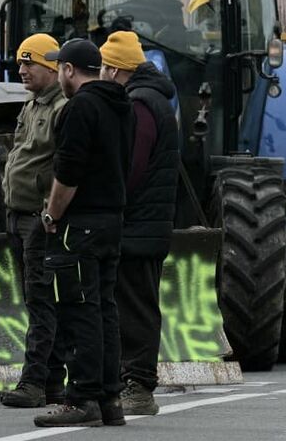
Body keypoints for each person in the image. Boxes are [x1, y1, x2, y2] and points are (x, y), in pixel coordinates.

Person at [34, 39, 133, 428]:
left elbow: (69, 170)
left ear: (70, 70)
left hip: (81, 224)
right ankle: (110, 398)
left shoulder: (80, 107)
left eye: (61, 68)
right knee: (105, 308)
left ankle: (82, 397)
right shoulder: (122, 106)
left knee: (78, 310)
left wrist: (51, 213)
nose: (59, 75)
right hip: (112, 219)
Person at [99, 31, 179, 415]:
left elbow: (132, 166)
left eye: (102, 66)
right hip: (143, 223)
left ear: (115, 69)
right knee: (132, 303)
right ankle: (128, 380)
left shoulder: (142, 105)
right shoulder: (151, 100)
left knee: (136, 307)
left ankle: (140, 386)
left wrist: (109, 196)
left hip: (138, 225)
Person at [0, 34, 68, 408]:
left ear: (53, 67)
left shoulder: (61, 108)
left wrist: (49, 210)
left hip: (39, 221)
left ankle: (34, 383)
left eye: (30, 63)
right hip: (19, 215)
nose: (22, 70)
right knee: (34, 299)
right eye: (20, 63)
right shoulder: (31, 105)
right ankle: (51, 381)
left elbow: (63, 165)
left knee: (42, 301)